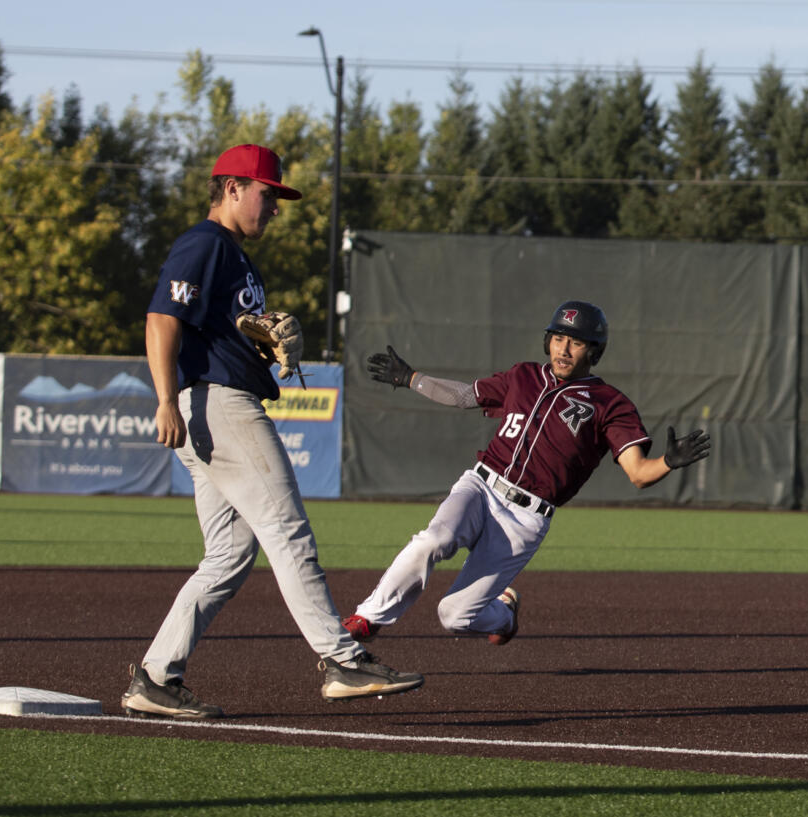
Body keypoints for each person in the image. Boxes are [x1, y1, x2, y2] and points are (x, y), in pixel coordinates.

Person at [121, 143, 422, 718]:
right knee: (288, 530)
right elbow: (162, 317)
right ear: (232, 188)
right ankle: (342, 661)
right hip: (220, 406)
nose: (276, 206)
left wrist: (260, 341)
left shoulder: (233, 256)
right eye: (268, 193)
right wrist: (164, 399)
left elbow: (222, 325)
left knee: (228, 558)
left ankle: (156, 677)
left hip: (217, 403)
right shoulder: (204, 243)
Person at [341, 301, 711, 647]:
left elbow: (638, 473)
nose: (564, 350)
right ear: (548, 341)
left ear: (594, 352)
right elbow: (466, 396)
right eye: (559, 339)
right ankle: (366, 619)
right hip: (481, 486)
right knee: (433, 540)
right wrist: (412, 378)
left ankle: (503, 616)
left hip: (526, 517)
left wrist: (667, 462)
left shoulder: (610, 404)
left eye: (577, 343)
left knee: (453, 617)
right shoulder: (524, 376)